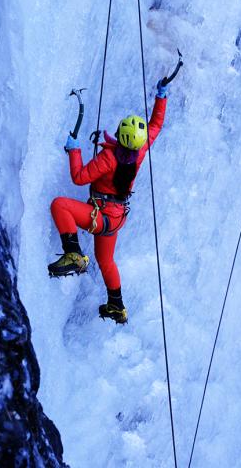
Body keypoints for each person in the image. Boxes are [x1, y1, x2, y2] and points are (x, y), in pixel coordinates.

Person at [48, 79, 168, 324]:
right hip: (114, 219)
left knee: (60, 205)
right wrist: (161, 96)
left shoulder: (109, 158)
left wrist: (74, 150)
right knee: (106, 261)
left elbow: (79, 177)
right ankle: (117, 305)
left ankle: (74, 255)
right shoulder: (139, 152)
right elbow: (156, 125)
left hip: (100, 217)